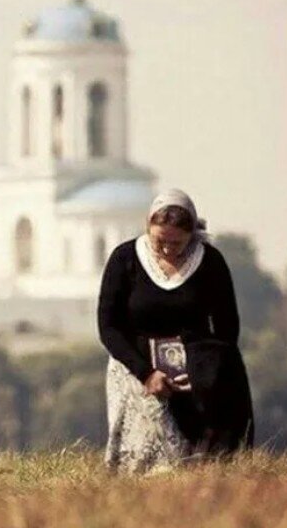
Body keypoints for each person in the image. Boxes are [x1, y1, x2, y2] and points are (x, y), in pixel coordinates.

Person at [97, 188, 254, 473]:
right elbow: (108, 326)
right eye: (161, 241)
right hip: (136, 368)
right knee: (148, 465)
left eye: (177, 242)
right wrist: (145, 372)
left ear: (192, 233)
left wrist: (205, 370)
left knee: (197, 461)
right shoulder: (125, 259)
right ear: (148, 228)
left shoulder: (210, 263)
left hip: (194, 372)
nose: (169, 249)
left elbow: (226, 329)